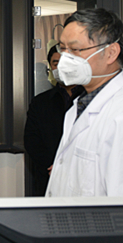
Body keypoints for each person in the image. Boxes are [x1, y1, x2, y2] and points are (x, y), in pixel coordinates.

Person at [46, 8, 123, 197]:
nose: (65, 58)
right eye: (63, 49)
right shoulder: (82, 103)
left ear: (111, 53)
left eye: (75, 50)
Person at [24, 45, 84, 196]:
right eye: (56, 63)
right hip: (48, 177)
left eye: (65, 62)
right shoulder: (40, 102)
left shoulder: (90, 98)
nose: (60, 67)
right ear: (50, 67)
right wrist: (55, 165)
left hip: (83, 176)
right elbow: (32, 140)